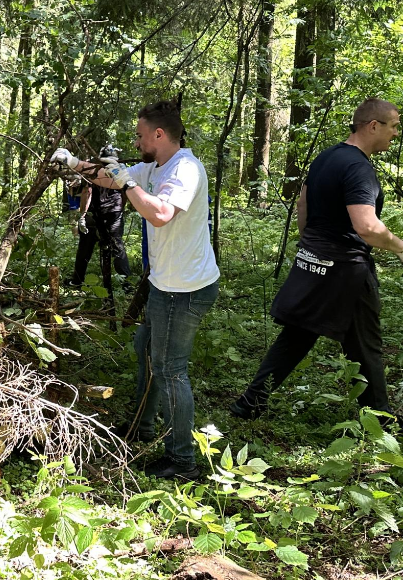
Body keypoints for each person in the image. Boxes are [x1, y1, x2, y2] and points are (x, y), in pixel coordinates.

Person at [51, 100, 220, 480]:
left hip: (185, 289)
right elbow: (112, 177)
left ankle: (183, 460)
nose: (137, 140)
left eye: (141, 134)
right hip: (166, 285)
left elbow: (159, 214)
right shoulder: (154, 167)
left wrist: (127, 182)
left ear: (159, 134)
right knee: (145, 350)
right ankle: (141, 429)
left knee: (170, 370)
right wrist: (75, 163)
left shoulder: (186, 169)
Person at [231, 97, 402, 423]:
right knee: (366, 347)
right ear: (373, 125)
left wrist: (312, 245)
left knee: (297, 334)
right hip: (347, 274)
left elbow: (302, 205)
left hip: (315, 263)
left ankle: (249, 404)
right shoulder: (358, 169)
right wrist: (400, 246)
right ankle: (378, 422)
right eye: (393, 126)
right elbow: (366, 226)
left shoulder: (328, 157)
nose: (396, 133)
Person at [70, 147, 132, 288]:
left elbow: (87, 192)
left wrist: (83, 215)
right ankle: (127, 285)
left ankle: (77, 281)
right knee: (117, 246)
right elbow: (125, 193)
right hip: (111, 213)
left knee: (85, 247)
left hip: (97, 213)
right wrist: (120, 209)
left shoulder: (94, 170)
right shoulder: (119, 171)